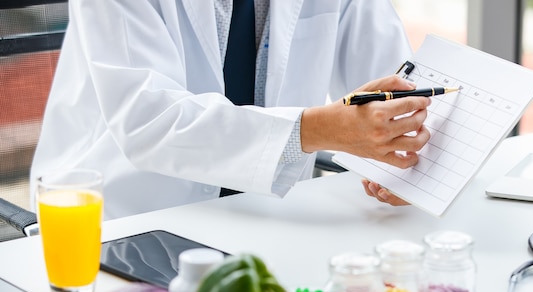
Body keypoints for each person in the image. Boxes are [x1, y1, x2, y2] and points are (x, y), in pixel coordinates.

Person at [30, 0, 429, 219]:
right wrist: (313, 130)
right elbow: (149, 120)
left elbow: (398, 81)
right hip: (129, 218)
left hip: (269, 214)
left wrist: (407, 161)